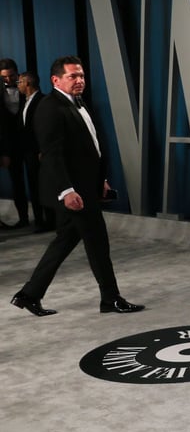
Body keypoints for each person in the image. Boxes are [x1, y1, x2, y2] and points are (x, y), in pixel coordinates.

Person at [10, 56, 144, 317]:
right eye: (73, 76)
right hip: (73, 192)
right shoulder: (50, 107)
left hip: (85, 187)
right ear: (56, 80)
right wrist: (67, 191)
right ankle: (110, 298)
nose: (80, 80)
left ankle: (29, 294)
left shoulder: (78, 103)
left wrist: (100, 180)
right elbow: (52, 154)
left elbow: (88, 148)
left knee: (64, 241)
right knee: (98, 243)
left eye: (81, 75)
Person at [18, 71, 54, 232]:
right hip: (28, 153)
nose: (18, 85)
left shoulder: (43, 100)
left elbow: (45, 128)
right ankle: (40, 221)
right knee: (34, 186)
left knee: (45, 186)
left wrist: (42, 149)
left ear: (27, 83)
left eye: (20, 82)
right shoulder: (23, 102)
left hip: (39, 153)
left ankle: (50, 221)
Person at [0, 58, 29, 229]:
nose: (8, 80)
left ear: (17, 73)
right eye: (4, 77)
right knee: (17, 183)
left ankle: (45, 219)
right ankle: (24, 219)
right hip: (10, 147)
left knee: (38, 181)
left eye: (11, 76)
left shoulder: (28, 89)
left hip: (30, 144)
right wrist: (4, 152)